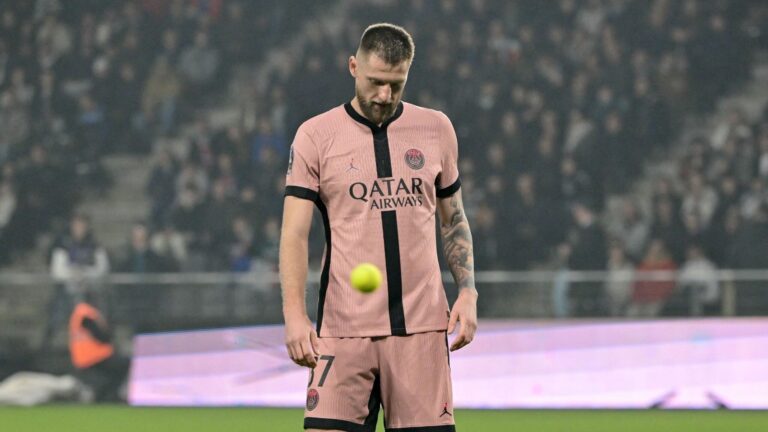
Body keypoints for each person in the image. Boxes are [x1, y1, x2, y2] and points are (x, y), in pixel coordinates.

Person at [280, 24, 477, 432]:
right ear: (353, 67)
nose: (385, 95)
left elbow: (453, 219)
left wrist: (468, 291)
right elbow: (294, 235)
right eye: (375, 82)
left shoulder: (436, 128)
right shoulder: (315, 136)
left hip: (421, 330)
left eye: (396, 84)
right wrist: (294, 316)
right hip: (342, 330)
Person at [69, 291, 130, 402]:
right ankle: (110, 395)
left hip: (85, 358)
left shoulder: (79, 313)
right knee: (123, 365)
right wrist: (108, 336)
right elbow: (100, 336)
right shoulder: (86, 314)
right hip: (95, 356)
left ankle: (107, 395)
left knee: (110, 375)